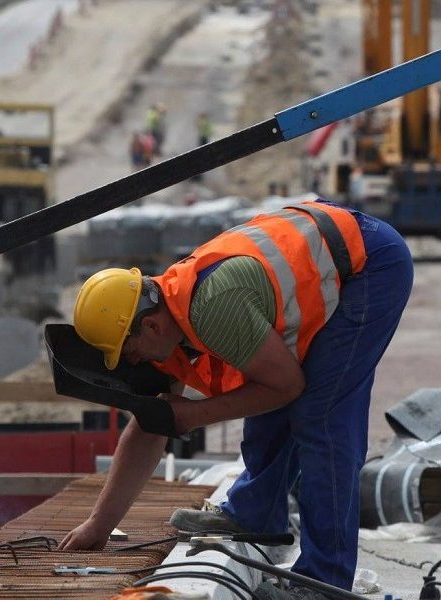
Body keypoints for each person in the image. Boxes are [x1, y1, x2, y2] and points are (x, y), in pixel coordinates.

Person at [61, 199, 414, 594]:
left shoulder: (212, 307)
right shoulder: (165, 320)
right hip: (329, 254)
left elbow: (286, 386)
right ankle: (256, 514)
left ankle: (324, 580)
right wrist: (100, 524)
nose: (132, 361)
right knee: (262, 386)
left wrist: (195, 415)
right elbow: (149, 425)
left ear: (150, 325)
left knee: (321, 415)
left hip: (369, 264)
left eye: (128, 351)